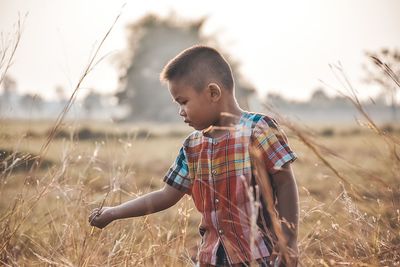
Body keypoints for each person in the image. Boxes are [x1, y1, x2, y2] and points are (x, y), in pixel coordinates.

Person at [89, 45, 299, 266]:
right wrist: (113, 212)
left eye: (183, 102)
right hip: (211, 258)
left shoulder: (258, 129)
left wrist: (288, 242)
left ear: (213, 93)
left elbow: (285, 183)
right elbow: (165, 195)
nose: (180, 111)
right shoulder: (192, 146)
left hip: (260, 257)